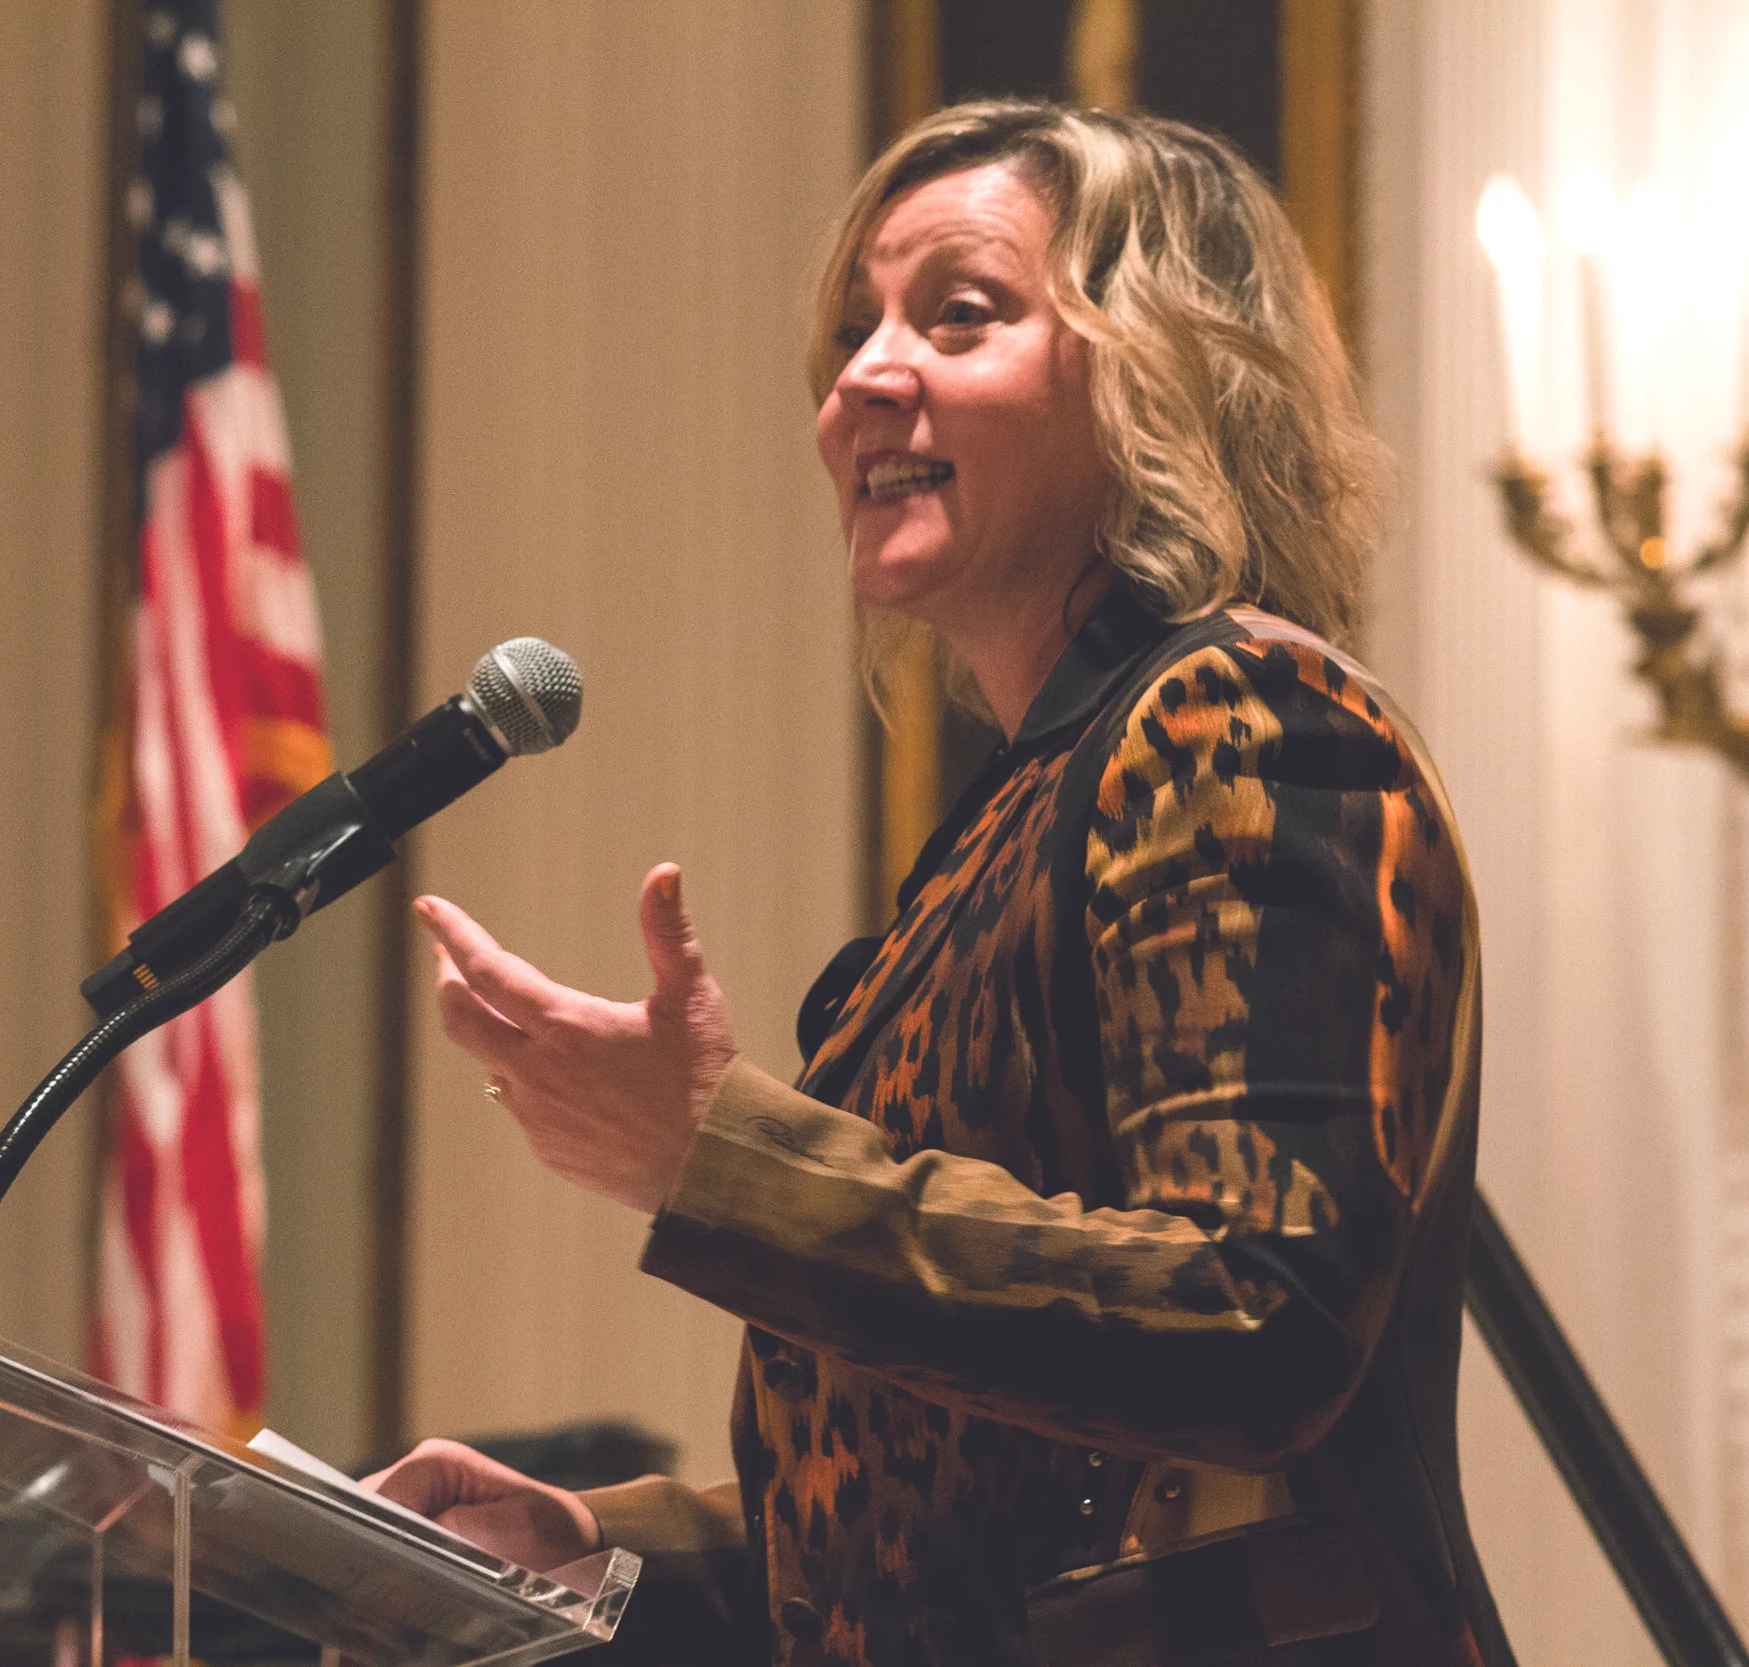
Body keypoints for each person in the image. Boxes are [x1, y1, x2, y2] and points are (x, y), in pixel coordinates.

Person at [370, 101, 1513, 1667]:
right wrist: (592, 1546)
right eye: (855, 330)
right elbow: (949, 1522)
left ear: (1152, 370)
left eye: (958, 314)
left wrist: (725, 1161)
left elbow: (1257, 1321)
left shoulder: (1240, 719)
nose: (860, 378)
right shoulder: (1013, 825)